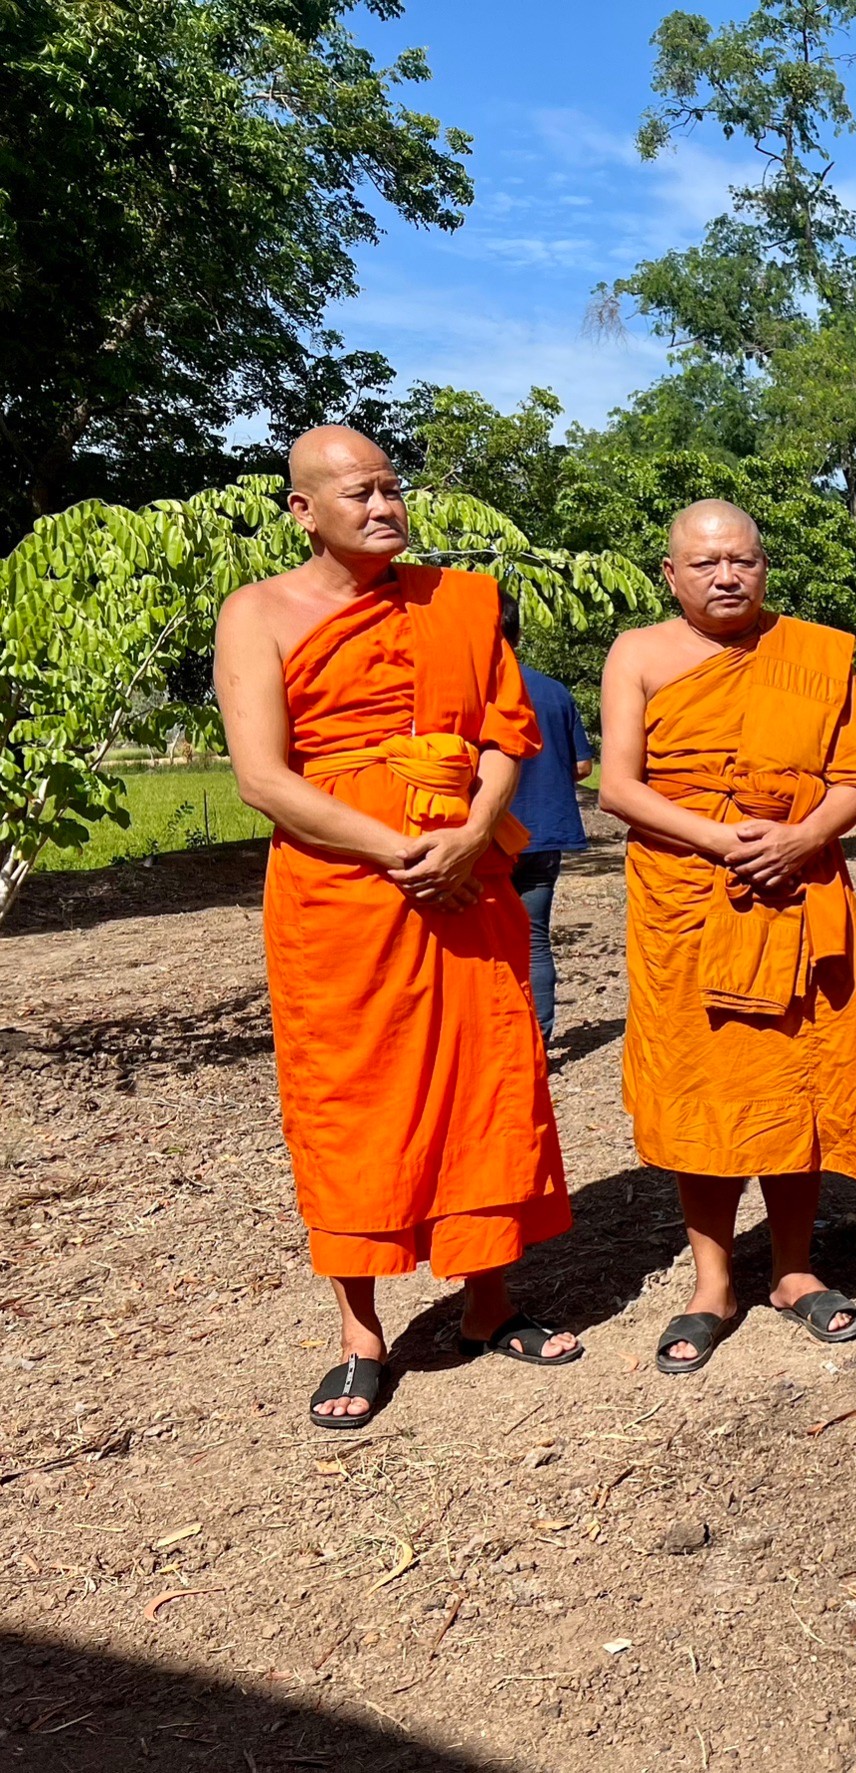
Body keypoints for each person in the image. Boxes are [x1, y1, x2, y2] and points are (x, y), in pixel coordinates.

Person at [213, 426, 577, 1431]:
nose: (382, 507)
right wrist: (395, 849)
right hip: (343, 894)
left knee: (484, 1081)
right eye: (356, 493)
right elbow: (262, 778)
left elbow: (506, 732)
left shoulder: (458, 601)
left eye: (390, 489)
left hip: (468, 877)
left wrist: (466, 835)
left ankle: (488, 1301)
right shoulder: (258, 614)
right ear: (302, 510)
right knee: (349, 1099)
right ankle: (361, 1334)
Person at [600, 501, 856, 1373]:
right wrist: (725, 840)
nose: (728, 575)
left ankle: (795, 1269)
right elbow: (619, 785)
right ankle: (712, 1280)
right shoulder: (639, 655)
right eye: (707, 562)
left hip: (800, 891)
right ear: (670, 573)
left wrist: (802, 839)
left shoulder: (820, 652)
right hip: (688, 898)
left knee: (799, 1082)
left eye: (745, 560)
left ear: (764, 568)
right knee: (702, 1088)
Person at [501, 595, 594, 1045]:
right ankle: (539, 1039)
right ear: (518, 633)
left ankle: (499, 1039)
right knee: (535, 938)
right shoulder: (554, 691)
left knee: (486, 942)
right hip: (544, 833)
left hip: (487, 838)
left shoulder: (469, 688)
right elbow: (582, 767)